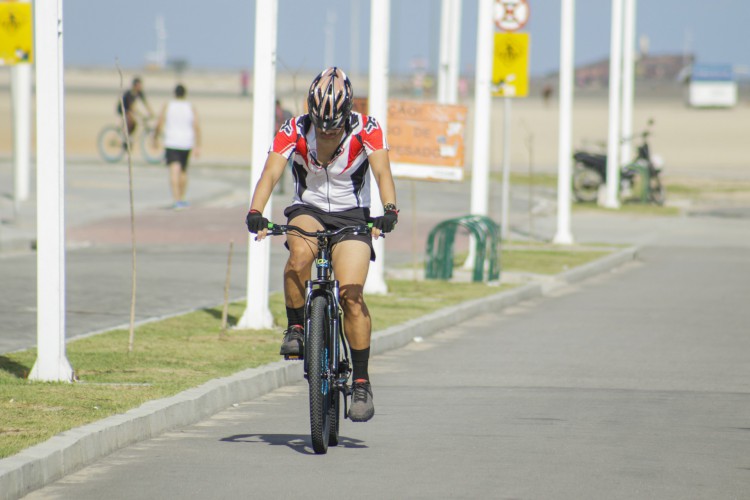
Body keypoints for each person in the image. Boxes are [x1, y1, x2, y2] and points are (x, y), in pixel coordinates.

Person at [245, 67, 398, 422]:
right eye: (321, 125)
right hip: (308, 208)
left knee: (351, 295)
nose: (327, 133)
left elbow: (382, 173)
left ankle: (360, 381)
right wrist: (255, 210)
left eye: (335, 126)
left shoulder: (367, 128)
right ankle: (296, 327)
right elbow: (270, 173)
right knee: (299, 255)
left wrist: (389, 210)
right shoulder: (293, 129)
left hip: (352, 215)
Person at [153, 84, 202, 210]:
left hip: (172, 142)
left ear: (174, 93)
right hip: (186, 142)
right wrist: (198, 145)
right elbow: (196, 126)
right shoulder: (190, 107)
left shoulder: (168, 105)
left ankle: (177, 200)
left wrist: (155, 137)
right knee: (184, 171)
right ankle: (182, 197)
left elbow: (159, 122)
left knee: (174, 171)